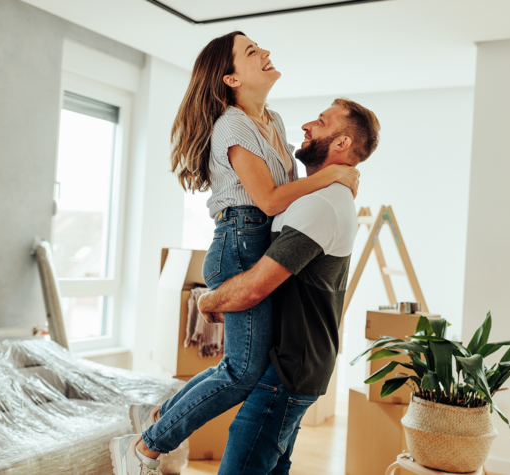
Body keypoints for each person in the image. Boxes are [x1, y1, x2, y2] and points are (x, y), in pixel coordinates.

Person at [109, 32, 359, 475]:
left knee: (239, 367)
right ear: (230, 78)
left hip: (257, 239)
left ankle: (154, 418)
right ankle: (145, 447)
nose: (265, 53)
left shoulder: (274, 120)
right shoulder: (231, 124)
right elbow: (267, 199)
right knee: (243, 373)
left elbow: (289, 194)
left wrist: (333, 173)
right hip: (238, 241)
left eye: (258, 47)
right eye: (251, 52)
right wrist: (335, 175)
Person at [199, 98, 380, 475]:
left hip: (289, 368)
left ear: (342, 143)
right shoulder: (311, 194)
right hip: (293, 364)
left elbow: (255, 287)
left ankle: (154, 431)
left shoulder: (323, 204)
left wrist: (208, 301)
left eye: (321, 121)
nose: (307, 125)